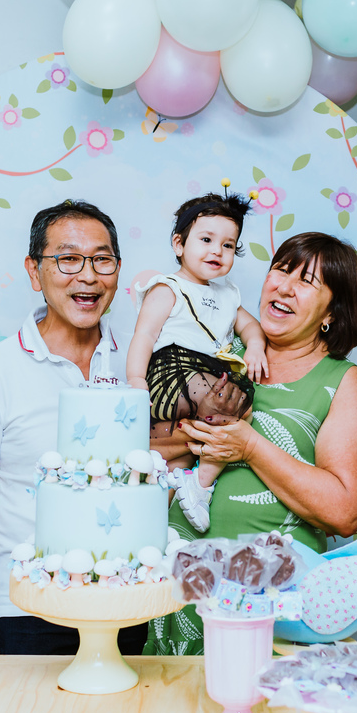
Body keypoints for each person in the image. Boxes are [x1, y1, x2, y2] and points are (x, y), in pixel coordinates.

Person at [144, 232, 357, 656]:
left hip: (271, 606)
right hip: (178, 597)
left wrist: (249, 446)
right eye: (282, 269)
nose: (284, 286)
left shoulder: (341, 383)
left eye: (307, 281)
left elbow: (344, 512)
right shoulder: (214, 352)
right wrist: (199, 431)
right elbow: (142, 452)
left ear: (331, 312)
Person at [0, 200, 147, 656]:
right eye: (69, 259)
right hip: (28, 609)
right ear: (35, 272)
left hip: (127, 603)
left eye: (102, 259)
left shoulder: (139, 362)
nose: (89, 276)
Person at [125, 191, 268, 534]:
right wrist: (136, 380)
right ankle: (181, 478)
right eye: (206, 239)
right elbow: (144, 335)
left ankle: (199, 484)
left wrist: (256, 347)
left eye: (228, 245)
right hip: (172, 373)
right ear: (179, 244)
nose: (217, 251)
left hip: (208, 377)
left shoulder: (228, 294)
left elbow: (249, 325)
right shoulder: (168, 288)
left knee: (242, 406)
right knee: (218, 397)